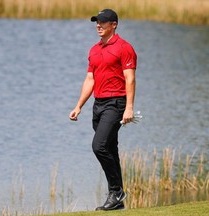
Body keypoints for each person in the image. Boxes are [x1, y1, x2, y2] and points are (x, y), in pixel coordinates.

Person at [69, 8, 137, 211]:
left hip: (116, 104)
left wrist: (129, 108)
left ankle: (116, 191)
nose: (98, 25)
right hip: (98, 105)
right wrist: (79, 105)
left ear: (114, 24)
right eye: (97, 22)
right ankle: (118, 201)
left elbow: (130, 79)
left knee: (98, 146)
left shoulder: (124, 48)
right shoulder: (94, 49)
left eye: (103, 22)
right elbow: (90, 79)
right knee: (109, 148)